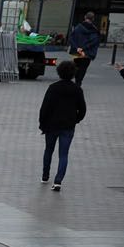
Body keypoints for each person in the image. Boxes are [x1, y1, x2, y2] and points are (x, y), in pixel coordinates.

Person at [38, 59, 88, 193]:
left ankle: (45, 175)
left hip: (52, 125)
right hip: (68, 126)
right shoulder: (77, 89)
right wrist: (76, 120)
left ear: (59, 72)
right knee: (63, 154)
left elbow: (45, 108)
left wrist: (42, 124)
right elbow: (82, 109)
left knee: (48, 150)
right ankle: (58, 181)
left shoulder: (53, 88)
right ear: (73, 73)